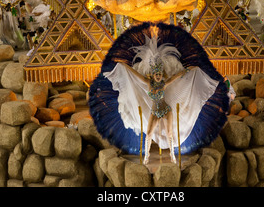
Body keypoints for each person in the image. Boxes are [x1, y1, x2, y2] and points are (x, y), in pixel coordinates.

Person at [89, 22, 230, 163]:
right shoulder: (148, 83)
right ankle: (147, 156)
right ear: (152, 75)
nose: (158, 76)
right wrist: (124, 66)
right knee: (149, 133)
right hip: (154, 111)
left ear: (161, 74)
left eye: (159, 74)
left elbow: (175, 77)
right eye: (156, 74)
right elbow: (136, 76)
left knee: (170, 133)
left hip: (166, 110)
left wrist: (189, 70)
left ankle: (172, 156)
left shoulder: (164, 83)